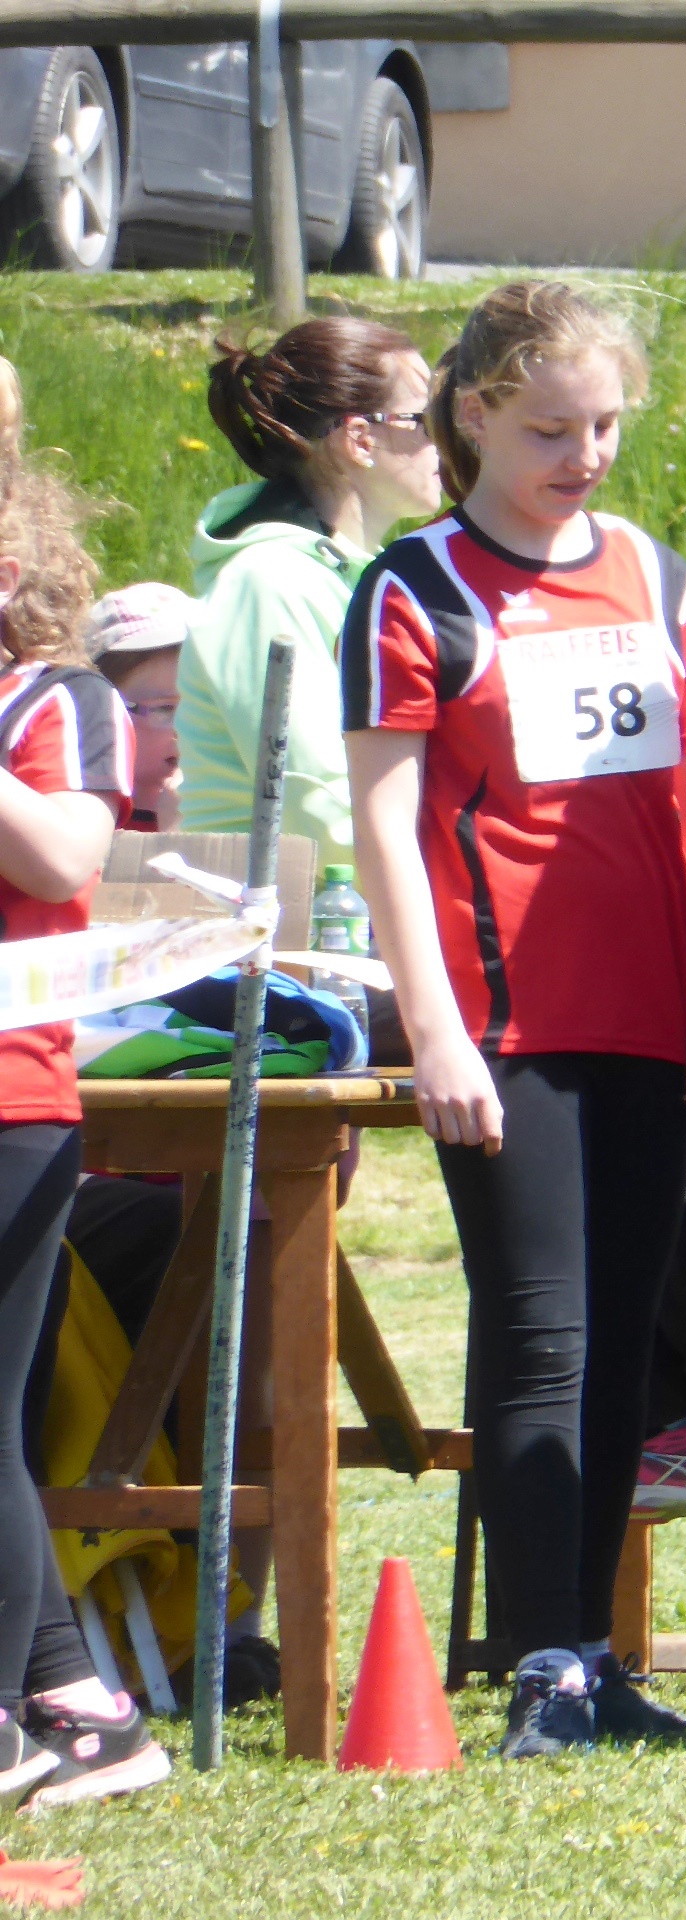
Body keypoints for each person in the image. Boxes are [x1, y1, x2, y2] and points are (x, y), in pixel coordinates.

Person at [344, 281, 686, 1759]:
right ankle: (540, 1669)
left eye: (605, 427)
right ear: (473, 415)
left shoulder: (655, 576)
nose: (583, 456)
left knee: (625, 1349)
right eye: (549, 430)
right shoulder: (416, 587)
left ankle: (592, 1654)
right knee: (540, 1339)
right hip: (505, 1026)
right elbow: (384, 828)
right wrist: (435, 1025)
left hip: (652, 1018)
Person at [0, 459, 169, 1811]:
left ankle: (17, 1718)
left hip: (11, 1098)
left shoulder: (60, 704)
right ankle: (82, 1710)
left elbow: (63, 859)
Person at [188, 317, 442, 859]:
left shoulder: (358, 577)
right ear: (360, 440)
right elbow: (317, 801)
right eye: (424, 420)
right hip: (276, 906)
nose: (445, 439)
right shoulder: (267, 582)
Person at [83, 583, 191, 830]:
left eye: (204, 704)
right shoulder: (79, 821)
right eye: (165, 708)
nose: (191, 724)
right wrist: (176, 835)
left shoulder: (234, 808)